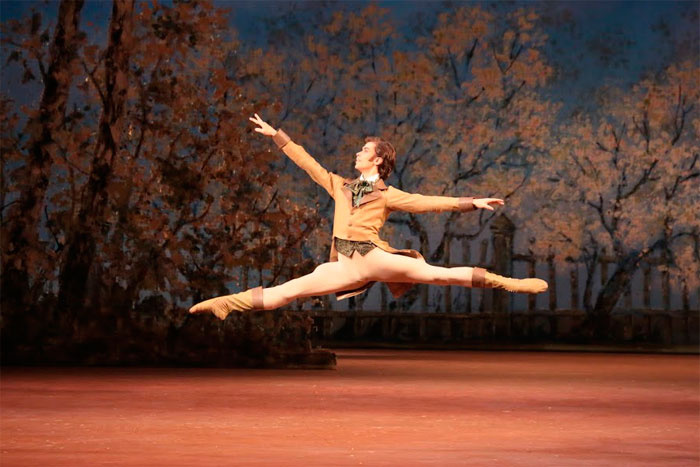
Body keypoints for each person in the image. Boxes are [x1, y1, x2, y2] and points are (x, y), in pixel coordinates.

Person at [189, 114, 547, 320]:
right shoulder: (340, 185)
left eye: (364, 150)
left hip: (373, 256)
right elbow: (309, 164)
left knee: (440, 275)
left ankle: (509, 283)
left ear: (377, 160)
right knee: (288, 292)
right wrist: (278, 137)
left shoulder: (389, 194)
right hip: (345, 264)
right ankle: (226, 304)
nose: (358, 153)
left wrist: (470, 202)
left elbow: (427, 202)